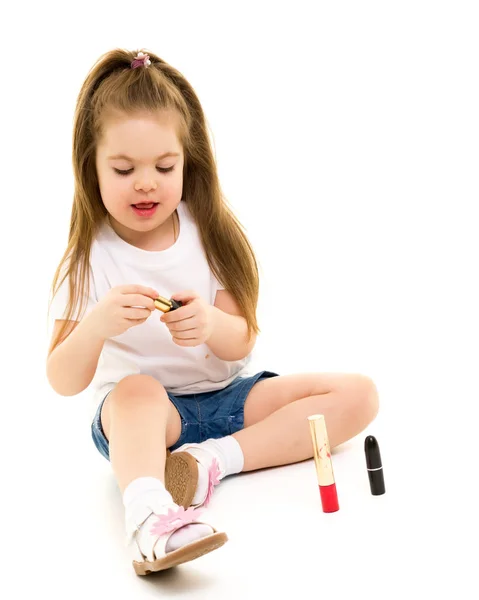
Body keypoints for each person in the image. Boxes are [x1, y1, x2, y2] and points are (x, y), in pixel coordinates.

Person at [46, 48, 380, 576]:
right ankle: (150, 518)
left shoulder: (209, 232)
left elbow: (242, 339)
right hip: (147, 423)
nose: (146, 182)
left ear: (188, 160)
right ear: (91, 167)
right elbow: (62, 378)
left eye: (164, 166)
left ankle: (209, 463)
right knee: (136, 390)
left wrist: (210, 325)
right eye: (124, 168)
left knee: (357, 393)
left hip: (228, 402)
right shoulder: (91, 258)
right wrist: (97, 325)